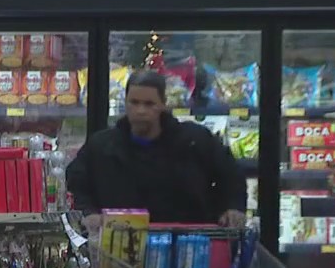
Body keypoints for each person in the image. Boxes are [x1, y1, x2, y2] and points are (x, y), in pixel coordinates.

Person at [66, 70, 246, 233]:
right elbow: (76, 184)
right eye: (134, 103)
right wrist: (88, 212)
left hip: (189, 246)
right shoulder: (101, 145)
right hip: (118, 252)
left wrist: (233, 208)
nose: (141, 111)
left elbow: (232, 176)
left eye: (149, 104)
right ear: (125, 103)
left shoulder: (195, 140)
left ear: (163, 104)